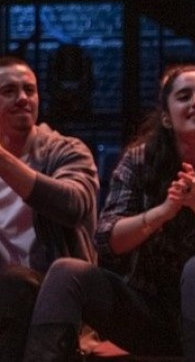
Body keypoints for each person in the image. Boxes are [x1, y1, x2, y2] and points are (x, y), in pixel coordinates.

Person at [21, 64, 195, 362]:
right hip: (148, 313)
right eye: (184, 96)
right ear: (166, 117)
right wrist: (164, 212)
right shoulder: (141, 159)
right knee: (67, 271)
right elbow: (108, 238)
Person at [0, 56, 98, 362]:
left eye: (30, 89)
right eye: (9, 91)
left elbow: (74, 206)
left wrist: (3, 160)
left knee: (17, 283)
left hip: (55, 298)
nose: (23, 98)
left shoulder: (65, 151)